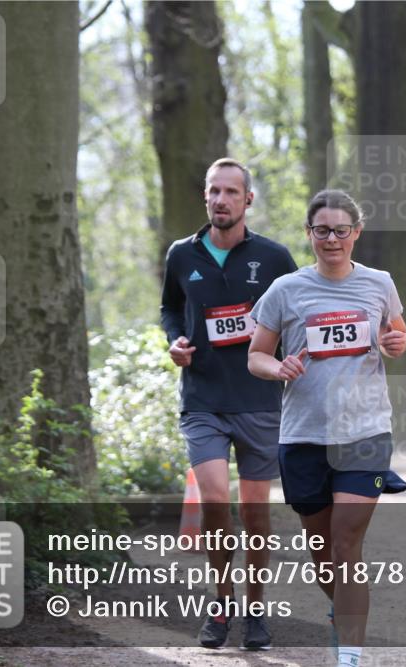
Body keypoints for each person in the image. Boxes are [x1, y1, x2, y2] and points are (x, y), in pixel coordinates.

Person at [248, 189, 406, 667]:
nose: (332, 239)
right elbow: (256, 354)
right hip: (303, 435)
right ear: (309, 234)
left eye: (342, 230)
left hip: (365, 431)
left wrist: (395, 342)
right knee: (324, 554)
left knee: (345, 543)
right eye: (323, 231)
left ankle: (351, 656)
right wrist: (277, 368)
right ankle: (343, 613)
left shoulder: (379, 283)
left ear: (356, 233)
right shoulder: (285, 289)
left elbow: (396, 337)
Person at [160, 157, 297, 650]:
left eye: (230, 192)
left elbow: (297, 312)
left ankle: (255, 610)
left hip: (259, 401)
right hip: (203, 399)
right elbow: (169, 307)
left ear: (248, 200)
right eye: (213, 191)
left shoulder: (276, 257)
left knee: (255, 512)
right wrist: (175, 341)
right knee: (216, 498)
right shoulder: (181, 254)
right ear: (206, 197)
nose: (220, 200)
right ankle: (219, 606)